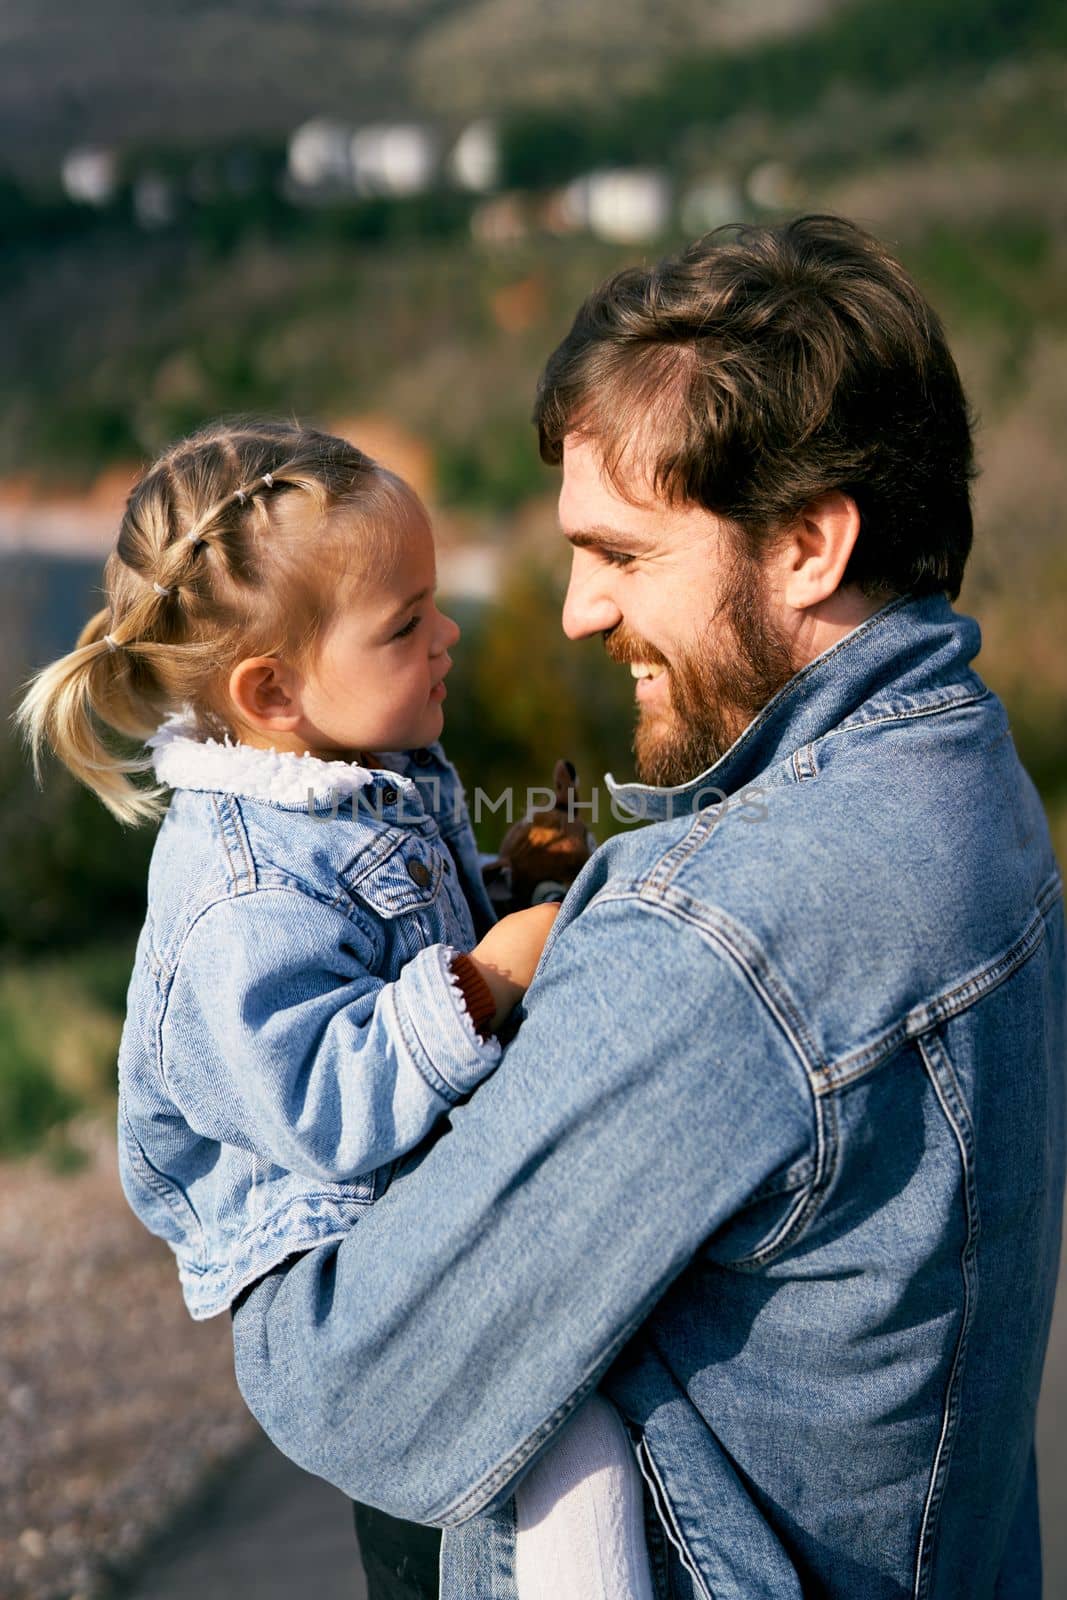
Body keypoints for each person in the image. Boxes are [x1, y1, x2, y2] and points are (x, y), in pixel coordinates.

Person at [225, 217, 1066, 1600]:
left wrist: (241, 1190)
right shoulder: (962, 767)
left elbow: (359, 1383)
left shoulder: (717, 942)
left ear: (805, 543)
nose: (572, 612)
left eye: (617, 554)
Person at [17, 418, 658, 1600]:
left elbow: (385, 942)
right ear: (271, 692)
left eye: (433, 606)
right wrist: (489, 977)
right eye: (405, 623)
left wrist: (501, 887)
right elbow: (320, 1095)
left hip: (404, 1238)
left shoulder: (355, 774)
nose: (446, 634)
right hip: (347, 1296)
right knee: (560, 1454)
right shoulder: (239, 892)